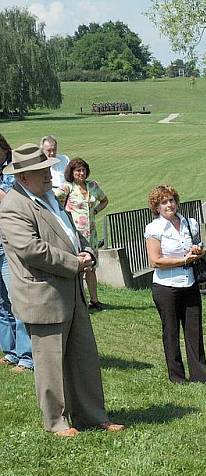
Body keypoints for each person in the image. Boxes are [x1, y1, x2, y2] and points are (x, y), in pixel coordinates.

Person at [0, 143, 123, 436]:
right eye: (41, 171)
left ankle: (93, 415)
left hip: (72, 292)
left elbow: (74, 234)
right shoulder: (13, 207)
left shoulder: (50, 198)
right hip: (44, 296)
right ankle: (56, 422)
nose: (49, 175)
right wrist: (74, 263)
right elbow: (32, 250)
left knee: (84, 358)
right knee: (50, 365)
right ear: (22, 177)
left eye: (48, 169)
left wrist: (89, 253)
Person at [145, 185, 206, 385]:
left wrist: (197, 252)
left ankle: (200, 376)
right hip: (166, 286)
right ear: (156, 207)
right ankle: (177, 377)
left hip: (189, 282)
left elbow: (198, 247)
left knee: (194, 329)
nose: (169, 205)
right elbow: (154, 261)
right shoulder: (154, 229)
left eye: (172, 200)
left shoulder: (189, 223)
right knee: (171, 331)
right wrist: (183, 260)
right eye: (164, 202)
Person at [54, 158, 109, 310]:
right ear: (71, 172)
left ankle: (94, 300)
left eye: (83, 170)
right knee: (76, 266)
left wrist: (95, 210)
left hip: (91, 233)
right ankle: (77, 301)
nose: (81, 173)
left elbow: (104, 200)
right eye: (78, 170)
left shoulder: (92, 186)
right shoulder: (67, 188)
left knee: (90, 267)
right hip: (75, 233)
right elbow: (53, 201)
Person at [0, 134, 34, 373]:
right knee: (1, 304)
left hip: (8, 244)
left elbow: (10, 200)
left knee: (17, 300)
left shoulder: (13, 169)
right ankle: (10, 351)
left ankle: (27, 356)